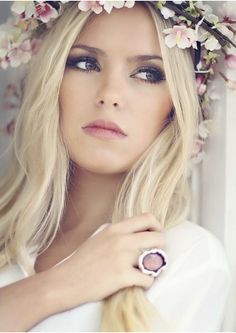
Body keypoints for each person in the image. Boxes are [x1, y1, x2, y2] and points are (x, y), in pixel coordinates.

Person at [0, 1, 233, 331]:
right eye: (85, 63)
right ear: (51, 80)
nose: (109, 95)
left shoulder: (189, 259)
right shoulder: (6, 232)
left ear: (174, 106)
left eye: (148, 73)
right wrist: (62, 285)